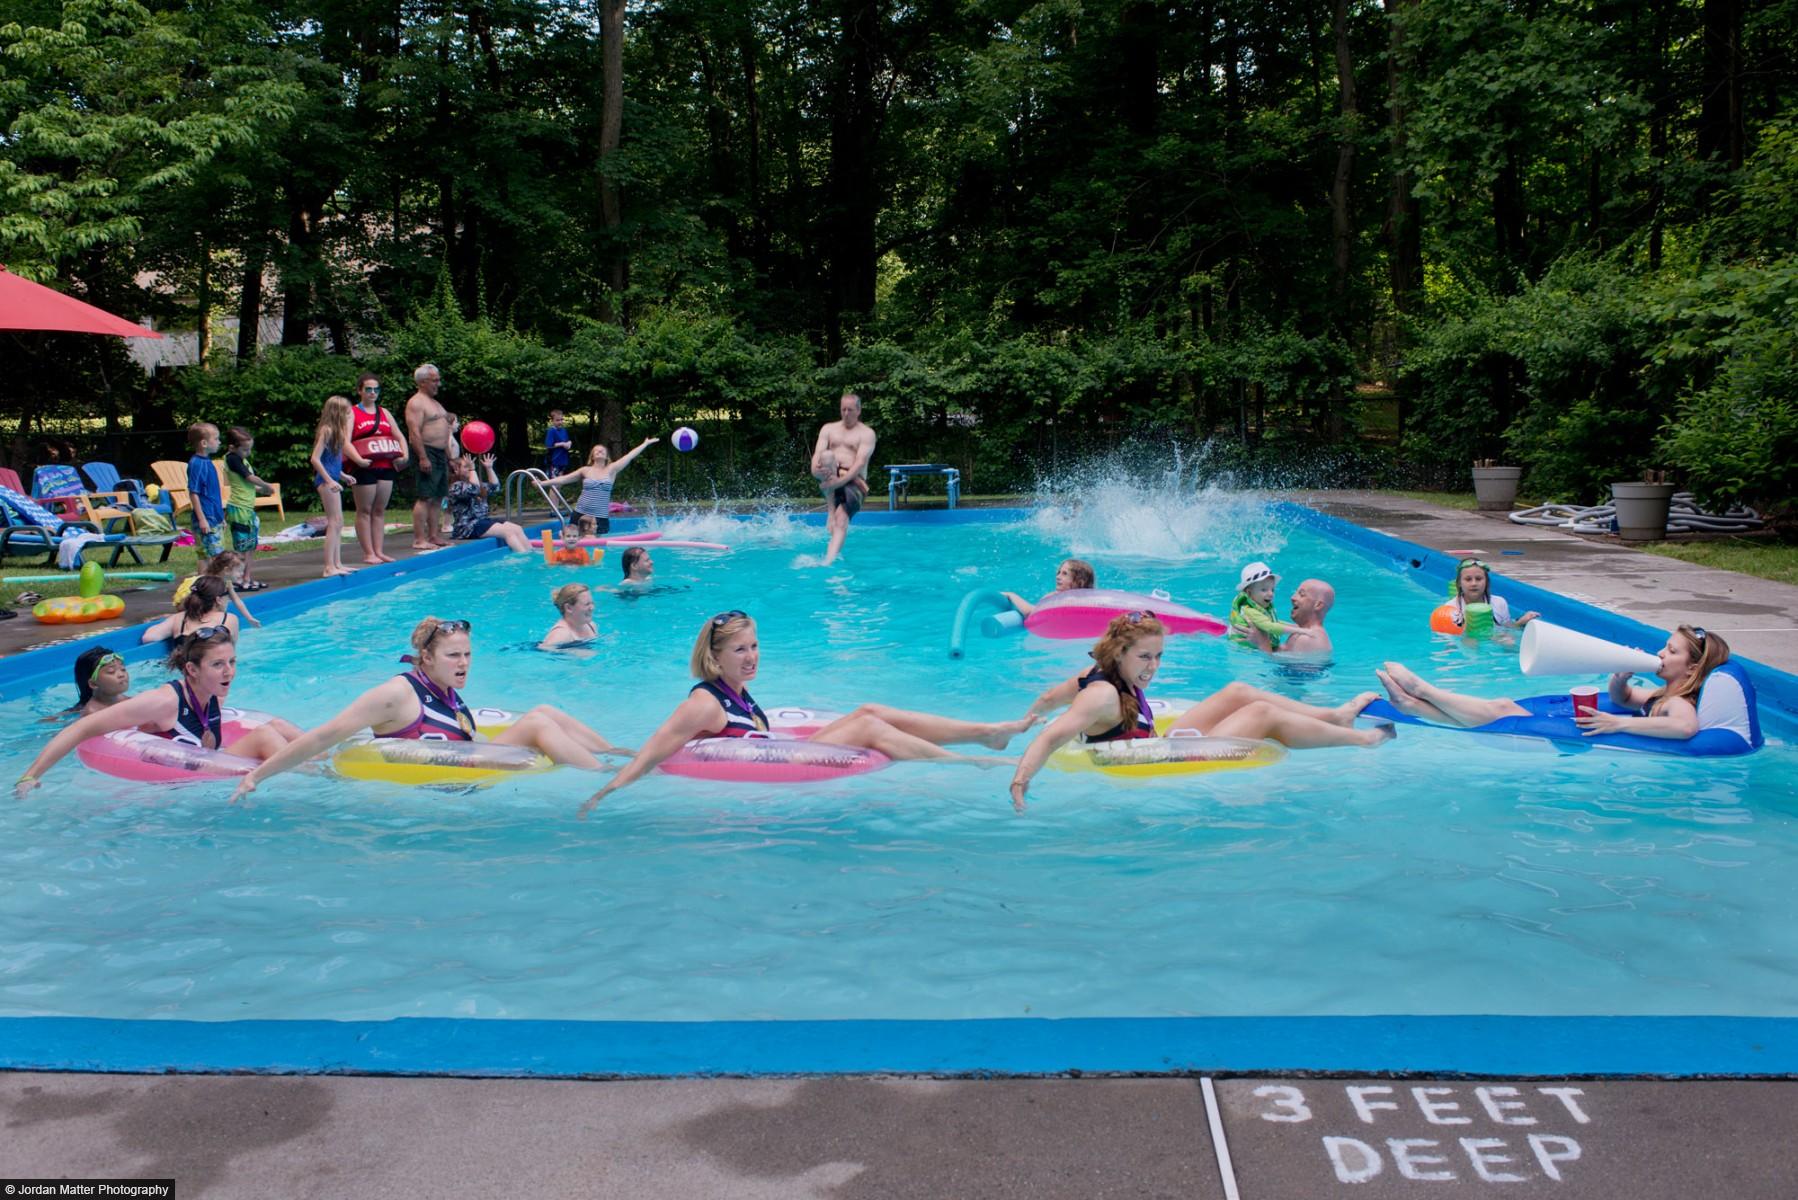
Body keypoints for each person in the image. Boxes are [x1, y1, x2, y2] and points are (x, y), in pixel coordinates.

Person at [578, 612, 1034, 814]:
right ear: (716, 657)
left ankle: (987, 734)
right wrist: (605, 794)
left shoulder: (737, 690)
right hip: (776, 760)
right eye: (740, 650)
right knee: (870, 724)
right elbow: (655, 750)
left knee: (870, 710)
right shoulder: (703, 702)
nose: (752, 656)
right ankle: (971, 761)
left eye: (754, 646)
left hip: (781, 750)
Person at [1010, 613, 1392, 809]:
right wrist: (1020, 781)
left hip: (1155, 742)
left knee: (1238, 691)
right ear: (1120, 653)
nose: (1153, 666)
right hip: (1143, 760)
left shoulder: (1094, 672)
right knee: (1260, 713)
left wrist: (1024, 718)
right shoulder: (1102, 696)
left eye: (1159, 656)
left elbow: (1049, 699)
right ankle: (1361, 739)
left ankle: (1332, 716)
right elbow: (1052, 735)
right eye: (1145, 657)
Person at [230, 617, 630, 802]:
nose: (464, 663)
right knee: (540, 722)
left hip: (469, 764)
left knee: (544, 709)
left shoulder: (445, 688)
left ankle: (615, 754)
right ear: (425, 657)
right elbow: (325, 734)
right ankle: (608, 778)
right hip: (448, 782)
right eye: (454, 655)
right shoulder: (395, 695)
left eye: (468, 654)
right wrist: (259, 776)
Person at [15, 629, 302, 798]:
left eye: (232, 661)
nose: (229, 671)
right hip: (175, 787)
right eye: (218, 664)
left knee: (274, 724)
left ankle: (326, 757)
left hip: (211, 773)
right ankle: (319, 777)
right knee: (265, 735)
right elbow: (80, 729)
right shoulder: (163, 701)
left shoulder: (214, 689)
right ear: (192, 669)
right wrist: (30, 776)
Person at [1376, 625, 1748, 746]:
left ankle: (1423, 691)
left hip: (1599, 741)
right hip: (1600, 730)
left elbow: (1686, 726)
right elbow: (1627, 697)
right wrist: (1619, 677)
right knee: (1501, 707)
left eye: (1670, 651)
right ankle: (1413, 706)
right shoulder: (1659, 694)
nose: (1660, 654)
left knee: (1504, 708)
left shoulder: (1678, 703)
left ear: (1693, 666)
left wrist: (1620, 723)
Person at [810, 392, 876, 565]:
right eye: (843, 409)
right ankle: (830, 511)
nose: (846, 413)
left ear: (859, 410)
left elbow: (860, 463)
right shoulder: (828, 429)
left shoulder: (866, 434)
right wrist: (816, 471)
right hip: (831, 476)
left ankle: (828, 561)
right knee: (827, 455)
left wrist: (838, 482)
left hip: (854, 481)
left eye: (850, 410)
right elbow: (817, 455)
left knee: (841, 519)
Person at [544, 437, 659, 535]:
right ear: (592, 456)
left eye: (602, 451)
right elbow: (564, 479)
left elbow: (629, 456)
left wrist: (645, 444)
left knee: (598, 549)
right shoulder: (585, 470)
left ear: (606, 456)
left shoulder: (611, 469)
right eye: (596, 451)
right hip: (580, 514)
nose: (599, 452)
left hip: (600, 517)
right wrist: (543, 483)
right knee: (575, 543)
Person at [351, 372, 407, 564]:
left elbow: (399, 435)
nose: (372, 393)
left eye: (376, 389)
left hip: (385, 465)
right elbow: (344, 441)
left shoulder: (384, 413)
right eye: (368, 389)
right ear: (360, 391)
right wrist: (357, 459)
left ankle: (379, 550)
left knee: (379, 510)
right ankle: (368, 552)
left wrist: (404, 455)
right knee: (364, 510)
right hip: (364, 466)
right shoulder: (352, 412)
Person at [311, 395, 367, 577]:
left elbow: (332, 461)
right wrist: (330, 480)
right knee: (334, 522)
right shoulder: (326, 430)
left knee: (339, 522)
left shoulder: (337, 433)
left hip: (332, 479)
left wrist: (343, 476)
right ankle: (329, 567)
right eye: (347, 412)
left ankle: (337, 563)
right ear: (338, 413)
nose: (350, 415)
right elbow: (315, 459)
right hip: (325, 482)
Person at [406, 363, 454, 550]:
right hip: (427, 451)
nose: (438, 384)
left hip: (440, 453)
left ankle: (433, 535)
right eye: (435, 380)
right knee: (425, 496)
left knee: (438, 496)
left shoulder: (434, 402)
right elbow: (414, 432)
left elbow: (442, 424)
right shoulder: (416, 402)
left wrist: (450, 458)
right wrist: (423, 457)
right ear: (423, 382)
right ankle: (419, 539)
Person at [221, 426, 274, 589]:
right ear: (232, 447)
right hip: (238, 509)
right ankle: (237, 580)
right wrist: (266, 485)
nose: (248, 453)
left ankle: (246, 578)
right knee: (242, 548)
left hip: (247, 509)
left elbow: (245, 483)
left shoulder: (241, 459)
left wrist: (259, 489)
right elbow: (250, 477)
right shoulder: (232, 458)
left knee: (251, 546)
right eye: (245, 450)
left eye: (249, 449)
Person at [447, 453, 532, 551]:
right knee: (508, 532)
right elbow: (474, 489)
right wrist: (472, 469)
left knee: (517, 529)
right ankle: (523, 557)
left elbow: (495, 487)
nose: (469, 468)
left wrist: (489, 468)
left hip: (482, 522)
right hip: (468, 527)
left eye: (469, 466)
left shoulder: (476, 483)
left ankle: (530, 555)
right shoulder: (456, 487)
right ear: (456, 470)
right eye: (466, 466)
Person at [1443, 558, 1540, 632]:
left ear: (1486, 582)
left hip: (1494, 642)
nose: (1474, 583)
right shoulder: (1450, 609)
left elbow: (1507, 628)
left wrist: (1520, 622)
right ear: (1459, 583)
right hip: (1466, 643)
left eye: (1479, 579)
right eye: (1468, 579)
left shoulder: (1499, 603)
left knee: (1508, 643)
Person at [171, 550, 261, 629]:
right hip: (185, 606)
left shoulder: (226, 582)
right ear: (227, 570)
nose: (242, 574)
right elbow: (188, 600)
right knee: (220, 600)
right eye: (239, 571)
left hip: (199, 606)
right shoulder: (208, 583)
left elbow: (237, 600)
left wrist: (249, 618)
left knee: (223, 598)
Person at [141, 576, 240, 644]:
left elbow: (148, 638)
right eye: (227, 596)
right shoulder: (229, 619)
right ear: (218, 600)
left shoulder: (179, 618)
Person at [43, 646, 130, 721]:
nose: (121, 675)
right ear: (93, 684)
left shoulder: (124, 699)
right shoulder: (92, 712)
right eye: (111, 672)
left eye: (123, 669)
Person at [1229, 561, 1302, 651]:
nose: (1271, 594)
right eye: (1264, 590)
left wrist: (1295, 626)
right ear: (1249, 592)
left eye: (1272, 589)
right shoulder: (1250, 611)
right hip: (1248, 656)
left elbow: (1274, 622)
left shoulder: (1257, 607)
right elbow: (1271, 626)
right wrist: (1301, 630)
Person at [184, 422, 225, 570]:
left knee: (207, 554)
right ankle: (213, 586)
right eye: (216, 438)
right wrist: (202, 520)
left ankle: (204, 587)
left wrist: (221, 517)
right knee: (214, 556)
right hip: (206, 519)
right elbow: (194, 493)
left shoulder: (206, 462)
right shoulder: (197, 464)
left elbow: (212, 494)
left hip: (213, 517)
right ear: (204, 443)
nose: (219, 442)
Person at [1002, 558, 1096, 618]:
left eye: (1064, 574)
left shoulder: (1055, 598)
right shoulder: (1093, 600)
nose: (1058, 577)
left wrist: (1011, 595)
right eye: (1058, 572)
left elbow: (1031, 613)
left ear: (1080, 581)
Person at [1276, 579, 1336, 656]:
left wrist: (1261, 641)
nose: (1293, 598)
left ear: (1318, 605)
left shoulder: (1307, 638)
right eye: (1295, 592)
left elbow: (1285, 665)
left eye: (1301, 594)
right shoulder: (1305, 631)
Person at [541, 583, 597, 648]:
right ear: (569, 608)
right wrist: (574, 652)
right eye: (587, 604)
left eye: (592, 603)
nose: (592, 608)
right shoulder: (561, 634)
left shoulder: (591, 626)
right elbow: (544, 652)